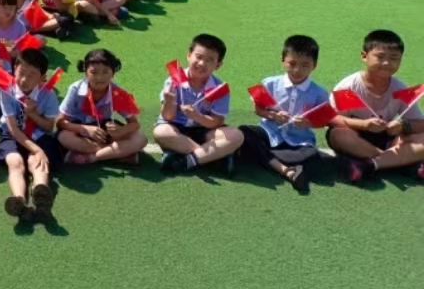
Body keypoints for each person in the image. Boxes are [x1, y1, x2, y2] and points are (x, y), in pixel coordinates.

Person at [327, 29, 424, 184]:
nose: (387, 63)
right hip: (356, 136)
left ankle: (369, 165)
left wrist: (403, 126)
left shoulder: (400, 88)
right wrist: (364, 125)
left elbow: (420, 124)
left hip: (388, 137)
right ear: (364, 56)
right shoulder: (348, 87)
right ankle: (398, 162)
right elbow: (332, 119)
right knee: (338, 135)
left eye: (394, 58)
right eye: (380, 57)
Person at [238, 35, 329, 193]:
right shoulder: (269, 83)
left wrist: (307, 123)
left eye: (305, 65)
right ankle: (287, 170)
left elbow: (323, 121)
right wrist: (273, 116)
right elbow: (258, 109)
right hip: (269, 133)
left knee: (311, 154)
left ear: (314, 65)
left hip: (299, 140)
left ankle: (263, 157)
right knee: (244, 132)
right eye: (292, 63)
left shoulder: (319, 93)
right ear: (283, 60)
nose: (297, 70)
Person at [154, 33, 244, 175]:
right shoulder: (173, 80)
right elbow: (167, 117)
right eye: (198, 57)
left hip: (204, 130)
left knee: (236, 136)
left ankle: (186, 160)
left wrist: (197, 116)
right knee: (161, 132)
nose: (202, 63)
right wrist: (169, 100)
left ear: (218, 65)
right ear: (189, 55)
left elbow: (216, 122)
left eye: (210, 60)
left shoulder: (219, 88)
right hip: (176, 128)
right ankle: (213, 158)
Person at [0, 48, 61, 222]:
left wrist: (32, 114)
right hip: (13, 135)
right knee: (14, 162)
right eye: (21, 73)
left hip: (39, 135)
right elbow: (14, 130)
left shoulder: (48, 94)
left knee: (35, 162)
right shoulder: (6, 91)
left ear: (42, 78)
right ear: (13, 70)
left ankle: (41, 194)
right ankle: (19, 200)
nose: (24, 79)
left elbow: (49, 126)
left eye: (31, 75)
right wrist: (37, 149)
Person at [57, 49, 147, 165]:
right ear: (86, 72)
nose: (100, 78)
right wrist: (85, 129)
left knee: (140, 138)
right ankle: (116, 153)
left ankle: (92, 157)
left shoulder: (116, 92)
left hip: (104, 132)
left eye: (105, 72)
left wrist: (121, 130)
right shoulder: (75, 89)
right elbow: (60, 122)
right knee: (64, 137)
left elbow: (134, 123)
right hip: (79, 130)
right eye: (94, 72)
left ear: (113, 73)